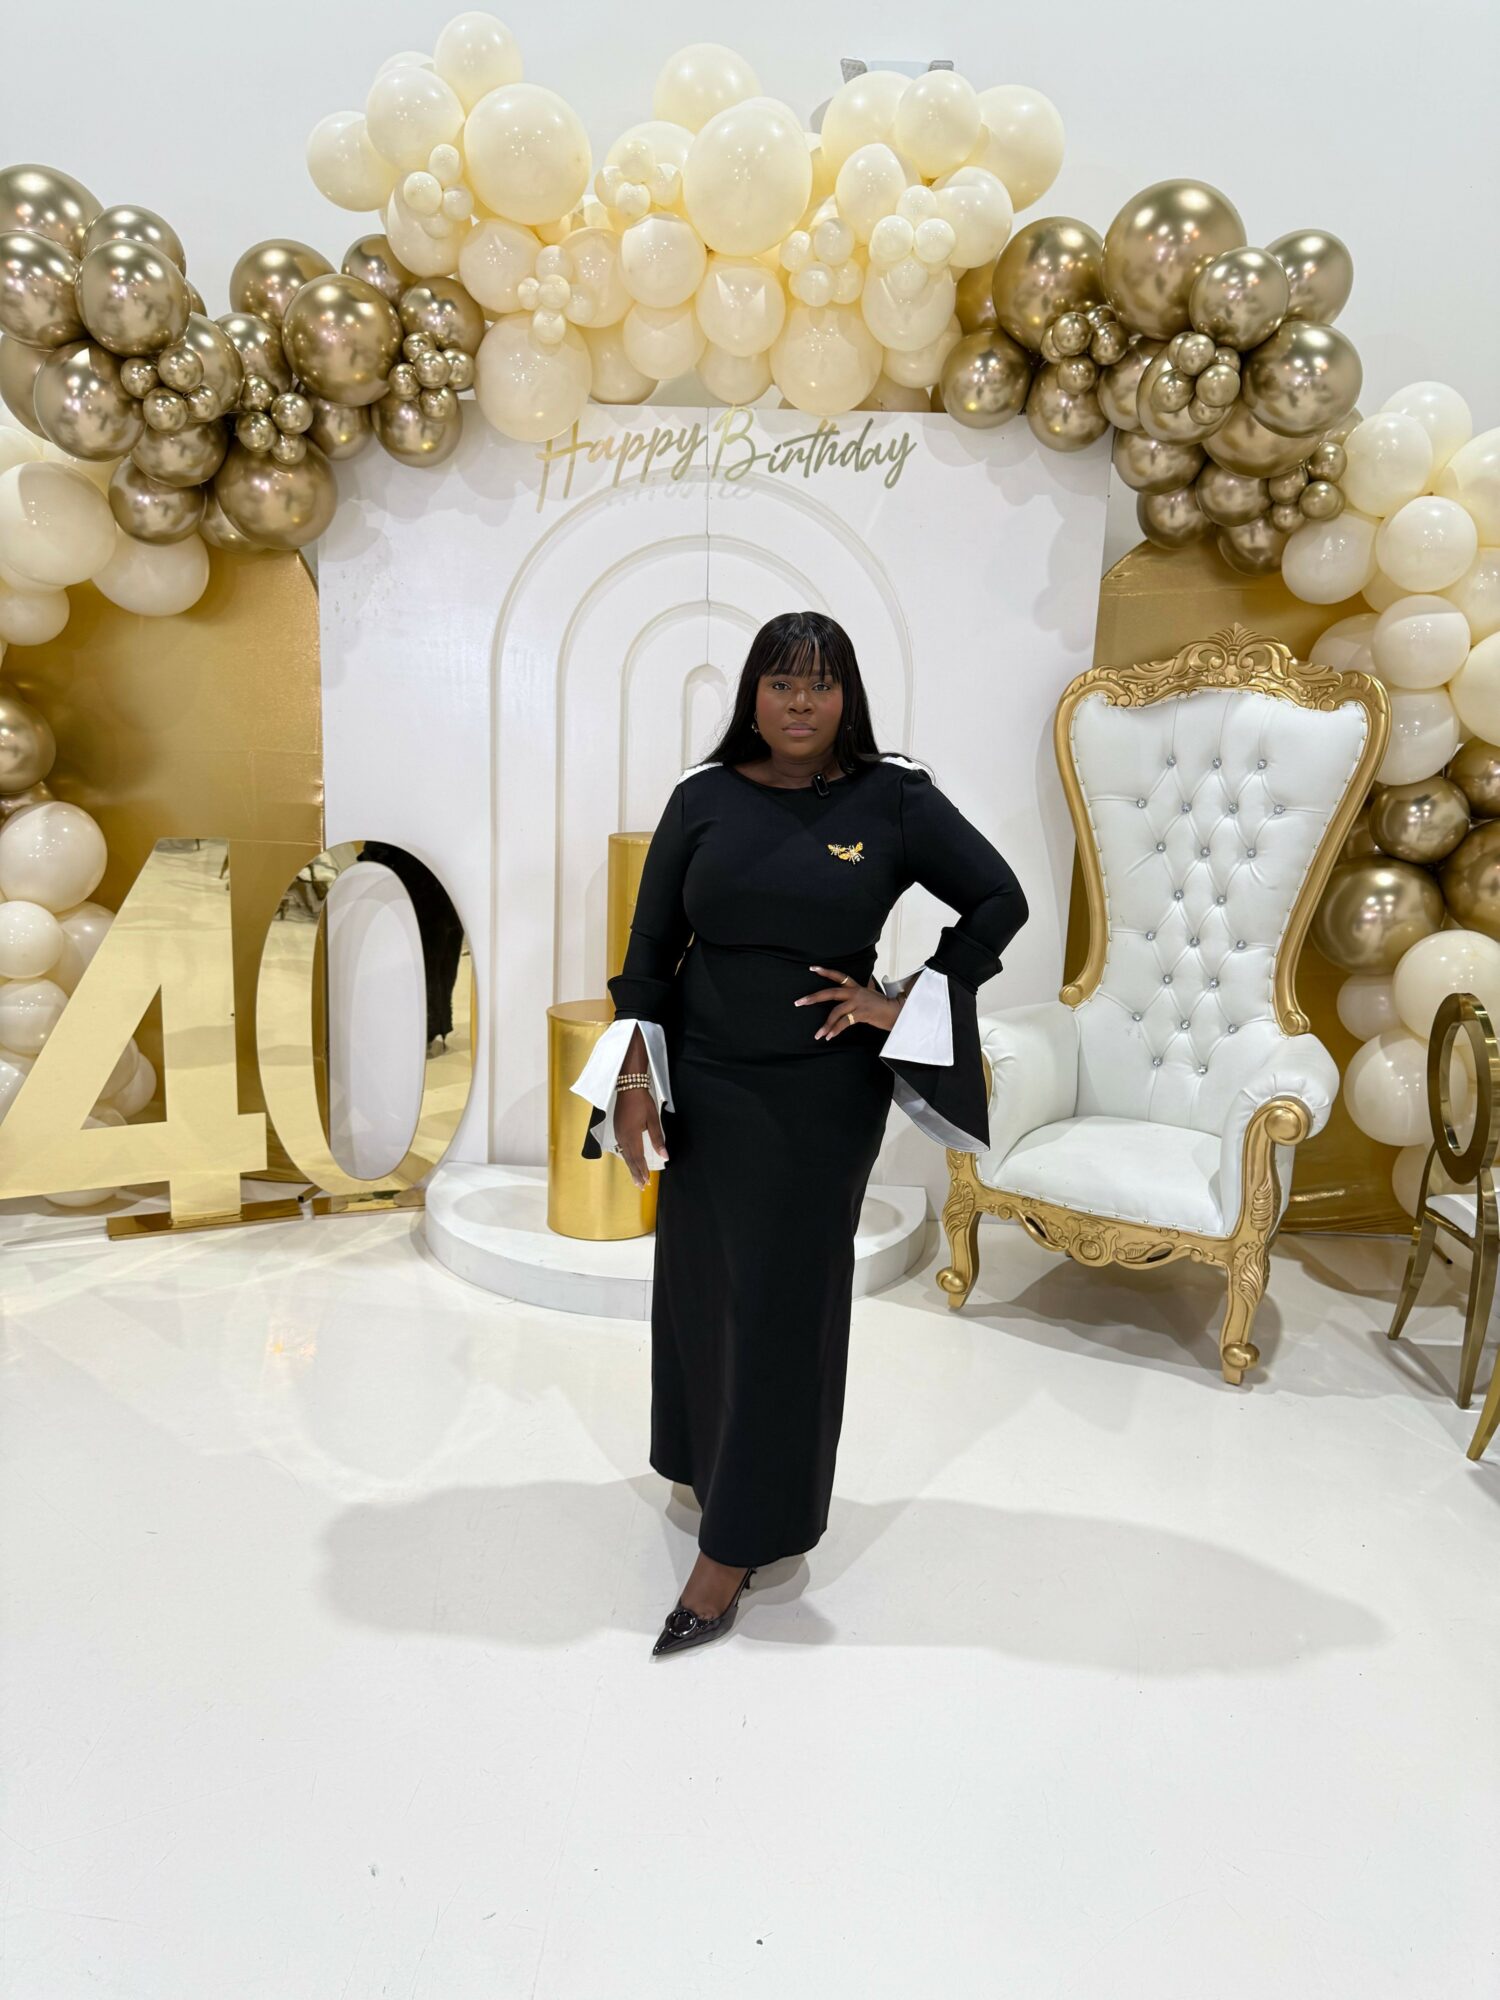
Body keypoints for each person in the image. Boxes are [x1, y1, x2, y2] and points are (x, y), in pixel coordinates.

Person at [570, 611, 1029, 1656]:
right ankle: (702, 1456)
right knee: (699, 1280)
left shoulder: (892, 796)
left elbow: (1001, 896)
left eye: (820, 685)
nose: (800, 703)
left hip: (818, 1097)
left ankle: (737, 1542)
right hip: (706, 1083)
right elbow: (649, 949)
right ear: (753, 692)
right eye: (781, 683)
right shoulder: (704, 796)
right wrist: (636, 1079)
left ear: (846, 696)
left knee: (781, 1306)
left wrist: (905, 998)